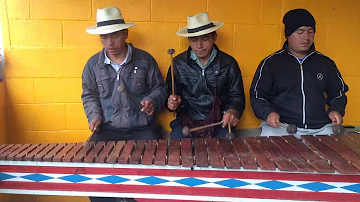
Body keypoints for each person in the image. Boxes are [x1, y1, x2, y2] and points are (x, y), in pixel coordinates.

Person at [81, 6, 167, 202]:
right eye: (104, 37)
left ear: (125, 33)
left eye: (115, 36)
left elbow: (160, 89)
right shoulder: (92, 65)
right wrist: (94, 115)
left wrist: (152, 101)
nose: (109, 43)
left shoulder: (145, 60)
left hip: (142, 128)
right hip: (109, 129)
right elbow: (89, 95)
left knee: (155, 172)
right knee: (90, 170)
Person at [250, 8, 348, 139]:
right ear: (288, 35)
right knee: (271, 150)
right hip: (282, 127)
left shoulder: (326, 63)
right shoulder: (271, 63)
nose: (306, 37)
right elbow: (257, 95)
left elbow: (338, 93)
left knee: (336, 152)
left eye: (310, 32)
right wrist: (268, 113)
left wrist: (336, 110)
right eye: (300, 32)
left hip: (320, 127)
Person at [166, 12, 245, 139]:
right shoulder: (177, 64)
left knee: (226, 152)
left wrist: (232, 111)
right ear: (188, 40)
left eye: (205, 38)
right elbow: (169, 95)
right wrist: (172, 103)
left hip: (220, 122)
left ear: (214, 37)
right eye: (194, 39)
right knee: (177, 150)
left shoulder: (229, 64)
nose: (199, 46)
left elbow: (237, 97)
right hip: (186, 122)